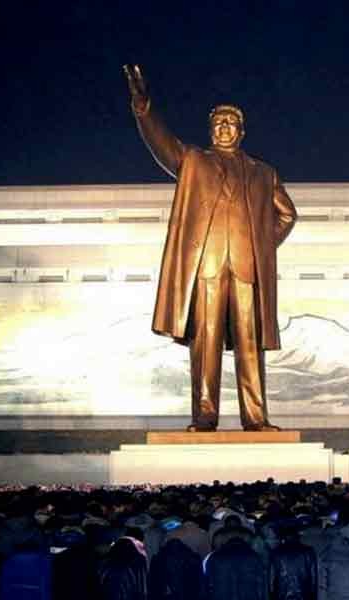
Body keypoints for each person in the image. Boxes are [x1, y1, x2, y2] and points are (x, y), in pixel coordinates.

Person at [123, 65, 297, 432]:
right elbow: (161, 144)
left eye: (231, 123)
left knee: (251, 347)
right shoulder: (193, 162)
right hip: (207, 268)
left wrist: (262, 245)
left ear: (242, 131)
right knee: (206, 344)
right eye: (218, 123)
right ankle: (205, 416)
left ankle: (256, 417)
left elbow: (287, 215)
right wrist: (144, 107)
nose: (224, 128)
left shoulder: (264, 172)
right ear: (210, 129)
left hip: (247, 268)